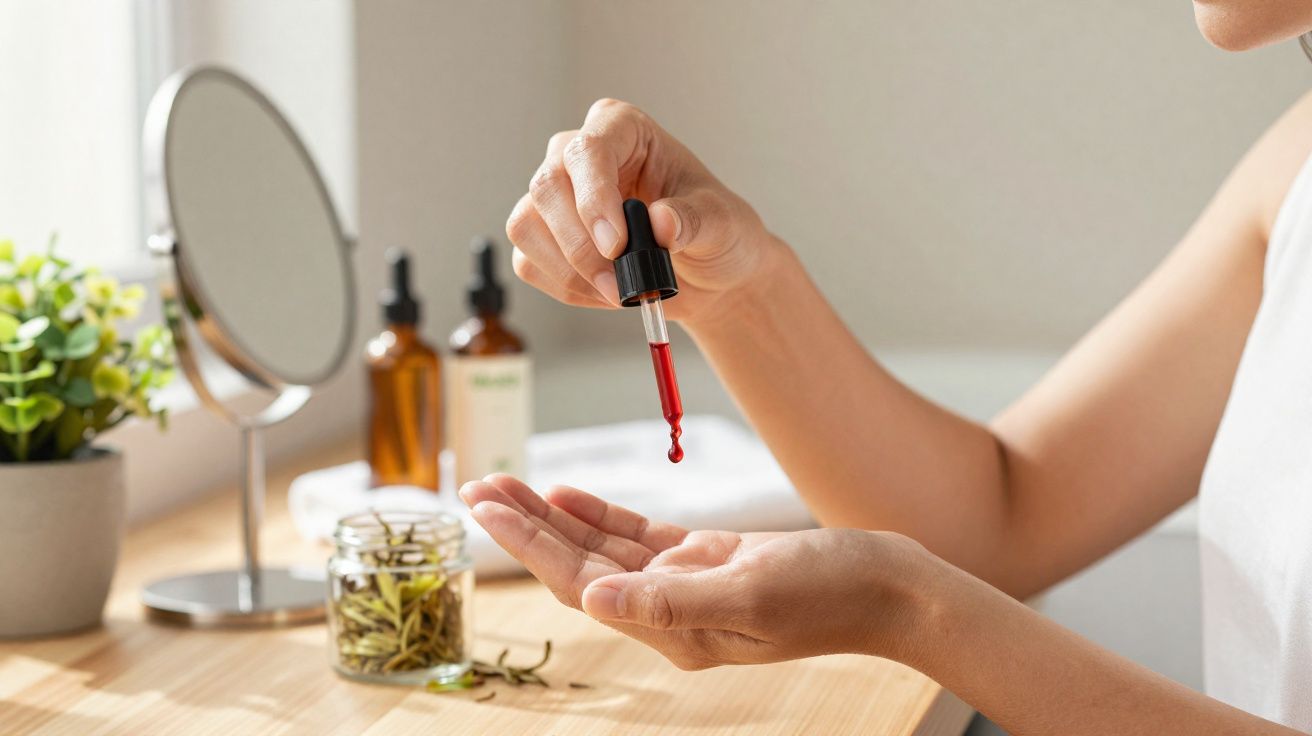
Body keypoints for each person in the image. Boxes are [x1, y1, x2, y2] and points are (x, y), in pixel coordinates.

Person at [459, 4, 1312, 733]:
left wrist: (908, 611)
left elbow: (950, 570)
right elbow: (999, 518)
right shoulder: (1297, 159)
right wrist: (740, 289)